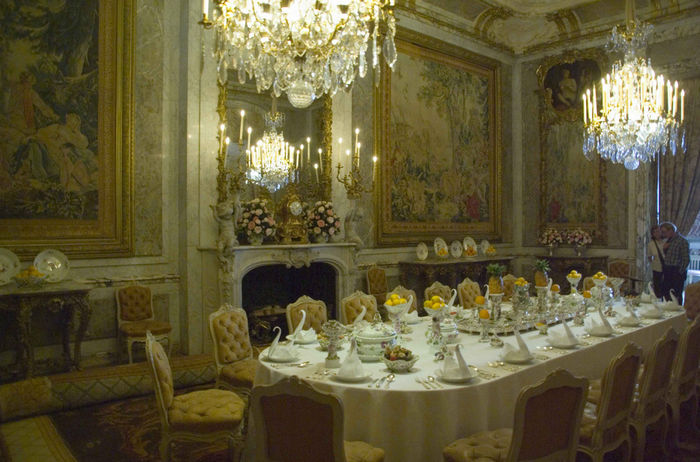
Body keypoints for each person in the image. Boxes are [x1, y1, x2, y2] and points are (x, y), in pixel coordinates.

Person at [660, 222, 690, 304]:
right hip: (668, 270)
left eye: (664, 232)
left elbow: (686, 259)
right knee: (665, 293)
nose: (663, 234)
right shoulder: (668, 241)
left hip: (677, 271)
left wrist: (679, 272)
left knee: (676, 295)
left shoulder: (682, 241)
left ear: (671, 230)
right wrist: (664, 249)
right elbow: (668, 256)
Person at [647, 224, 666, 298]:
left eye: (657, 231)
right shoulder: (650, 244)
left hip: (667, 266)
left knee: (666, 285)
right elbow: (649, 256)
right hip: (656, 267)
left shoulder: (666, 241)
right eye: (654, 232)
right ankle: (658, 300)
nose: (656, 233)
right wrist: (654, 262)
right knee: (657, 285)